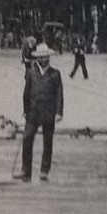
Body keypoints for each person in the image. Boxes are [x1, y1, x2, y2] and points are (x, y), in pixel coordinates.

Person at [16, 44, 64, 182]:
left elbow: (59, 94)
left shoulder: (55, 74)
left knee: (47, 141)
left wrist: (59, 112)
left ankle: (44, 170)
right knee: (27, 138)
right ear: (37, 58)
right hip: (33, 112)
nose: (44, 59)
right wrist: (25, 110)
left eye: (46, 56)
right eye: (41, 56)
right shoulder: (31, 73)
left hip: (49, 112)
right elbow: (26, 93)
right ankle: (26, 170)